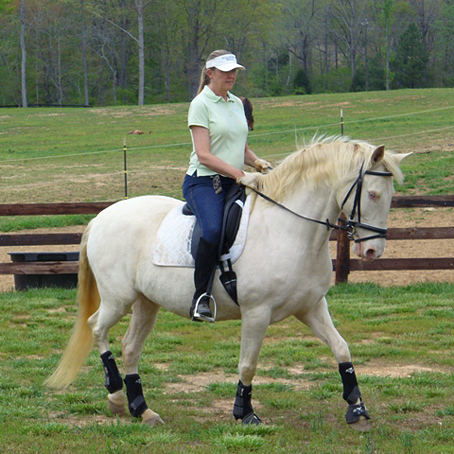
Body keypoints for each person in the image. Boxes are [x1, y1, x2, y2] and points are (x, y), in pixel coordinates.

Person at [183, 49, 271, 322]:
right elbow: (204, 155)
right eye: (225, 71)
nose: (231, 75)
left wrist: (257, 163)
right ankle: (201, 297)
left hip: (235, 179)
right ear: (210, 73)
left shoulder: (236, 103)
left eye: (234, 71)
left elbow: (240, 147)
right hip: (204, 183)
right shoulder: (201, 104)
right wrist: (238, 173)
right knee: (212, 229)